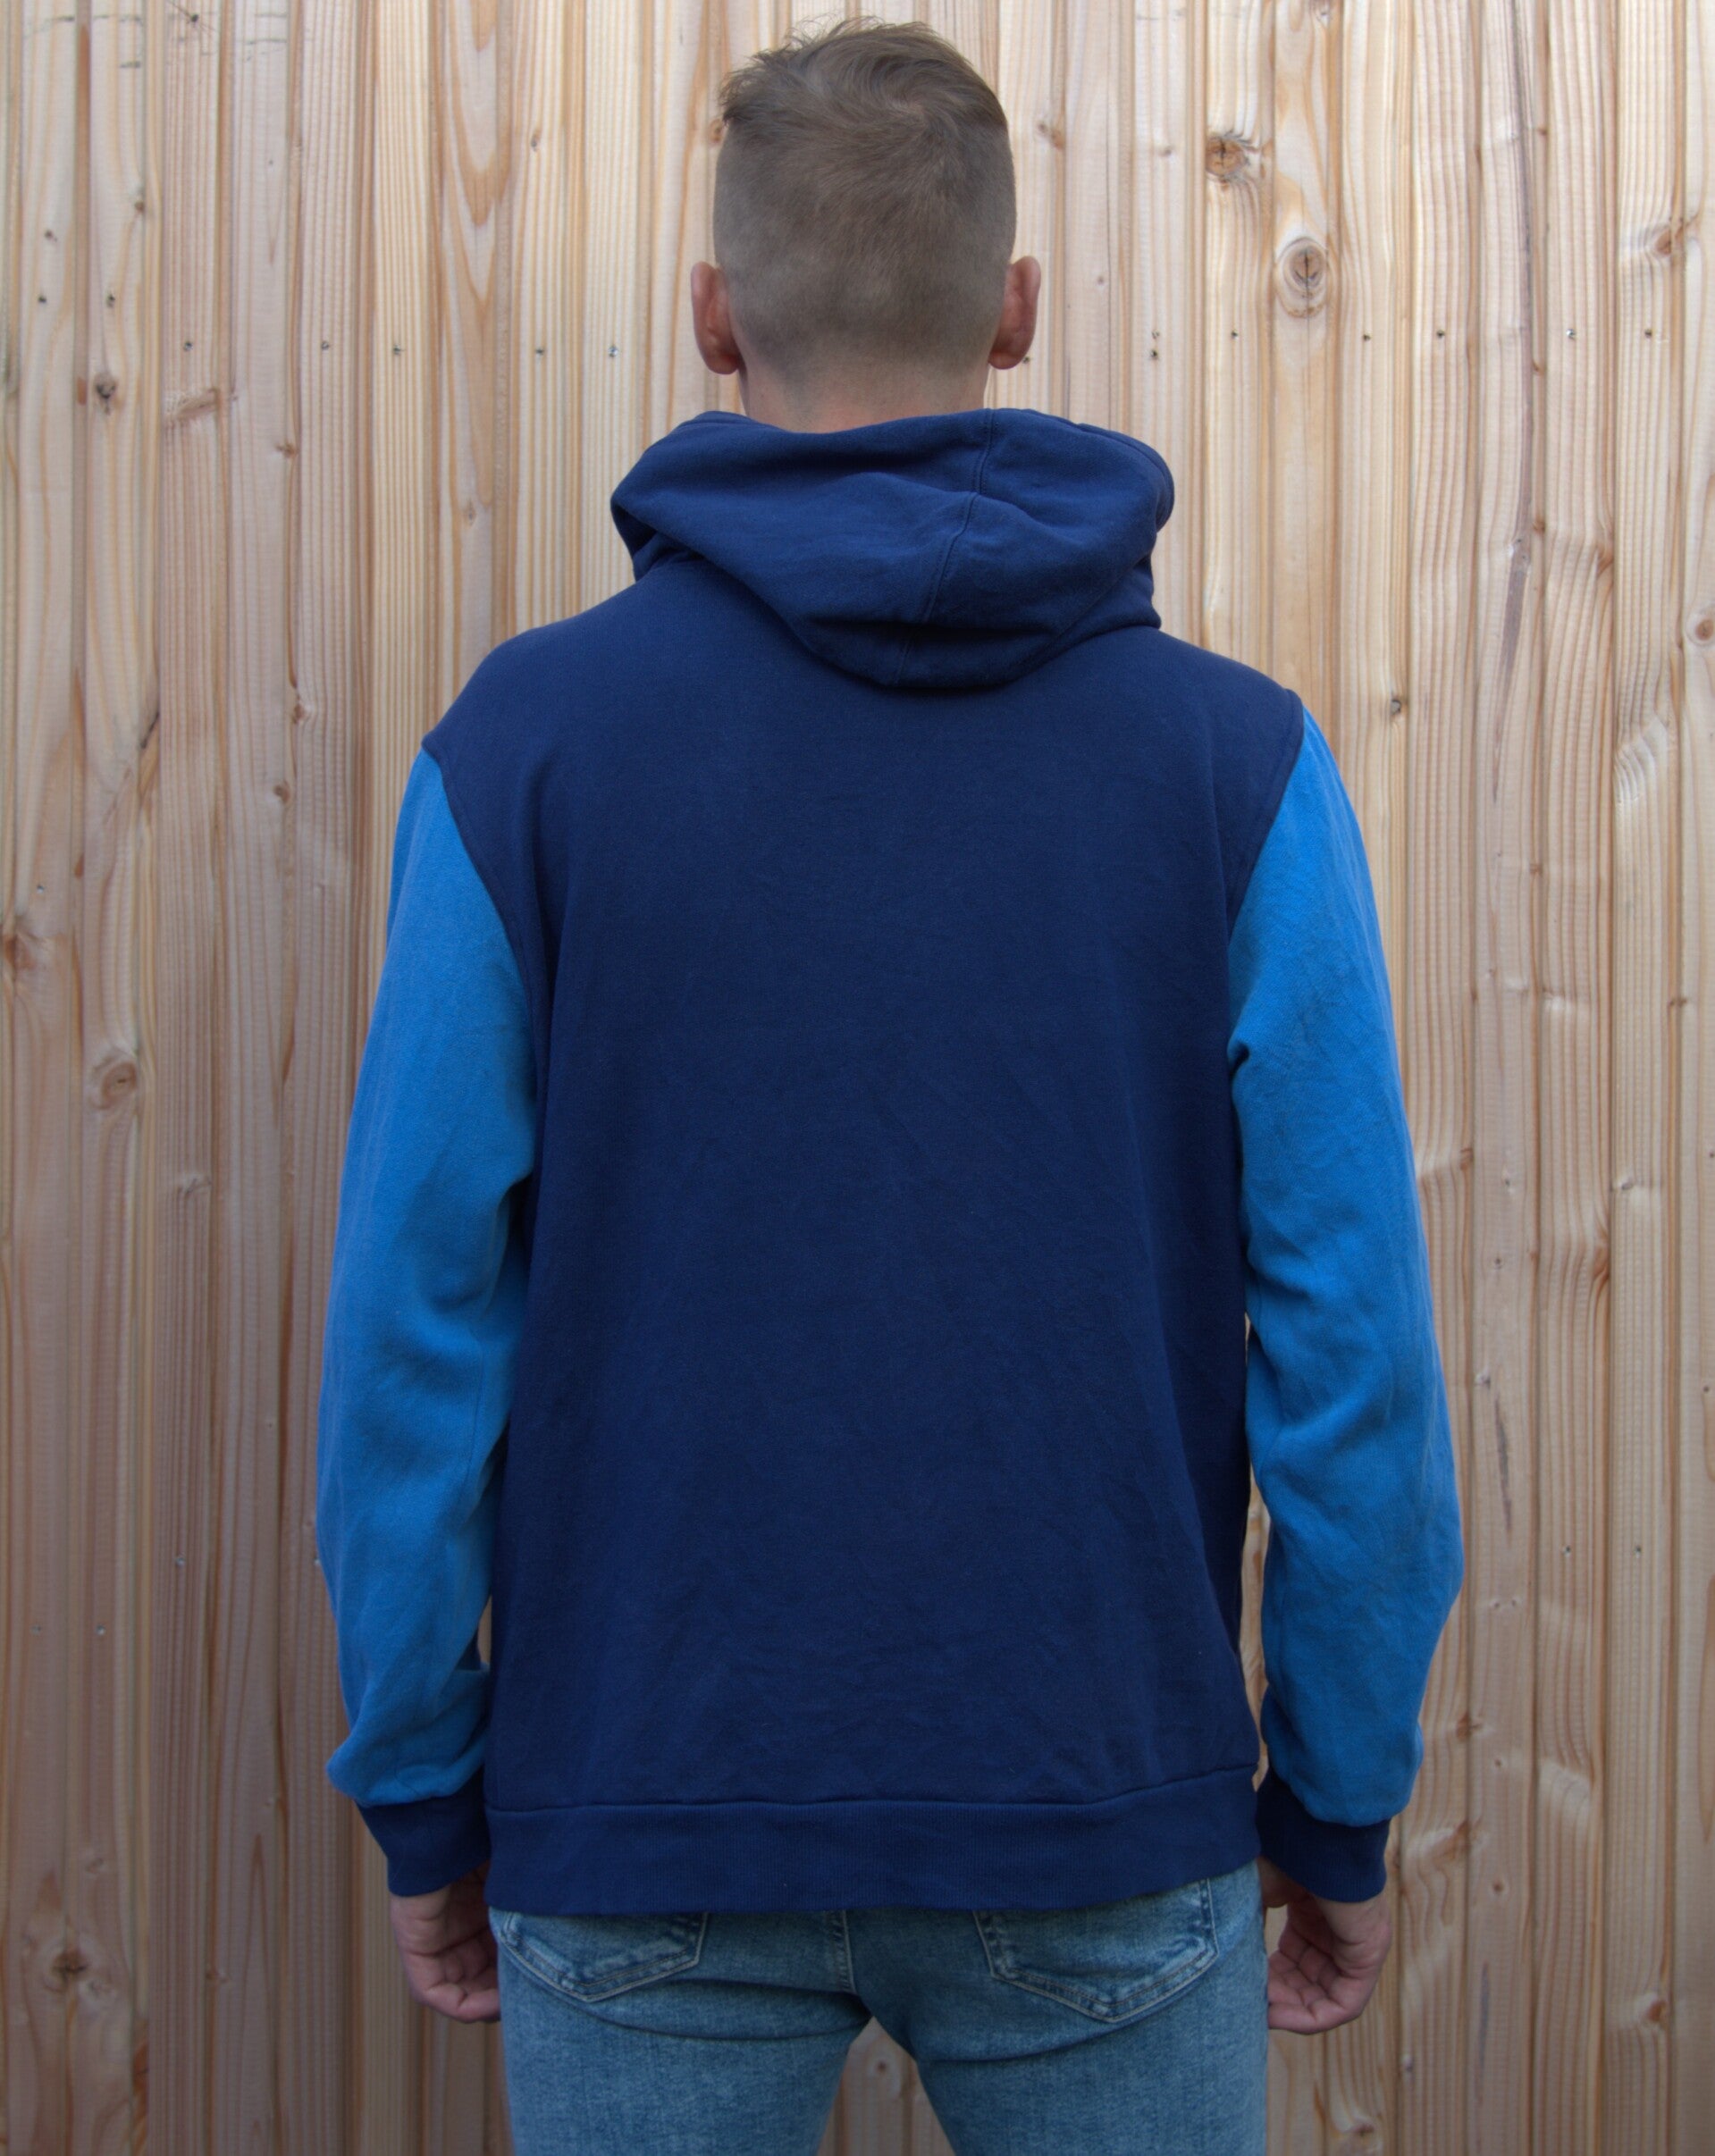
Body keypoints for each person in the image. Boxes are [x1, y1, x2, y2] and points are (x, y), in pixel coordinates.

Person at [315, 16, 1465, 2154]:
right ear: (1014, 309)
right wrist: (1339, 1796)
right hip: (1099, 1804)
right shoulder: (1240, 771)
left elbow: (409, 1328)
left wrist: (419, 1779)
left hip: (641, 1807)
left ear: (711, 315)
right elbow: (1356, 1356)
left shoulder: (522, 757)